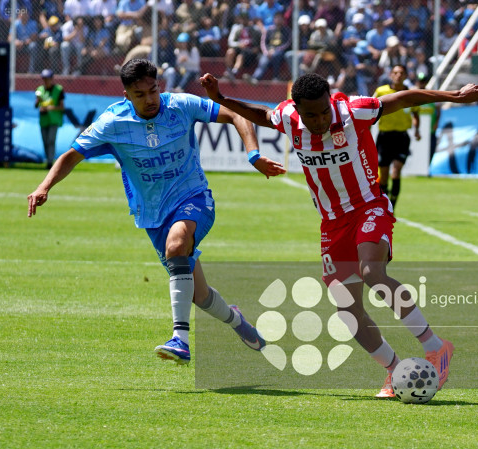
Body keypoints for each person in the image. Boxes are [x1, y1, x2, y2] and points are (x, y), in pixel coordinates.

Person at [198, 70, 478, 397]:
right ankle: (394, 371)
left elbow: (404, 98)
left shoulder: (354, 111)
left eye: (324, 111)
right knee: (348, 310)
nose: (320, 120)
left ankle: (436, 347)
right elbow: (263, 115)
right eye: (311, 115)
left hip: (369, 207)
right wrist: (221, 99)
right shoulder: (288, 117)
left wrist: (455, 96)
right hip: (332, 223)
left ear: (330, 101)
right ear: (298, 109)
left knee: (372, 272)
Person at [27, 59, 286, 366]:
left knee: (176, 245)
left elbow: (234, 114)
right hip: (153, 215)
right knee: (199, 295)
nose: (150, 99)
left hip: (195, 197)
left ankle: (180, 340)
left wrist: (253, 154)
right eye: (140, 94)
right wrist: (44, 186)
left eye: (153, 90)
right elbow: (72, 155)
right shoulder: (112, 123)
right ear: (126, 95)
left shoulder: (181, 105)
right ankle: (237, 321)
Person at [372, 64, 419, 209]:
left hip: (401, 137)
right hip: (384, 137)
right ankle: (384, 206)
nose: (398, 75)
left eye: (401, 73)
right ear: (391, 75)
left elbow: (415, 113)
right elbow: (370, 109)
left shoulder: (410, 93)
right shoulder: (381, 91)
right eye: (395, 73)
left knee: (396, 171)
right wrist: (366, 130)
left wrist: (417, 129)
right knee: (383, 175)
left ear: (405, 76)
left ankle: (392, 206)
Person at [35, 69, 65, 169]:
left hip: (54, 120)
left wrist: (50, 108)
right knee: (45, 141)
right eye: (44, 79)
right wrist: (38, 101)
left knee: (51, 140)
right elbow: (36, 105)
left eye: (47, 79)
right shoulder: (40, 89)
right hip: (43, 119)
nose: (46, 81)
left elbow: (62, 107)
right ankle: (48, 159)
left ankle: (50, 162)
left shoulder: (58, 89)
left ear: (52, 79)